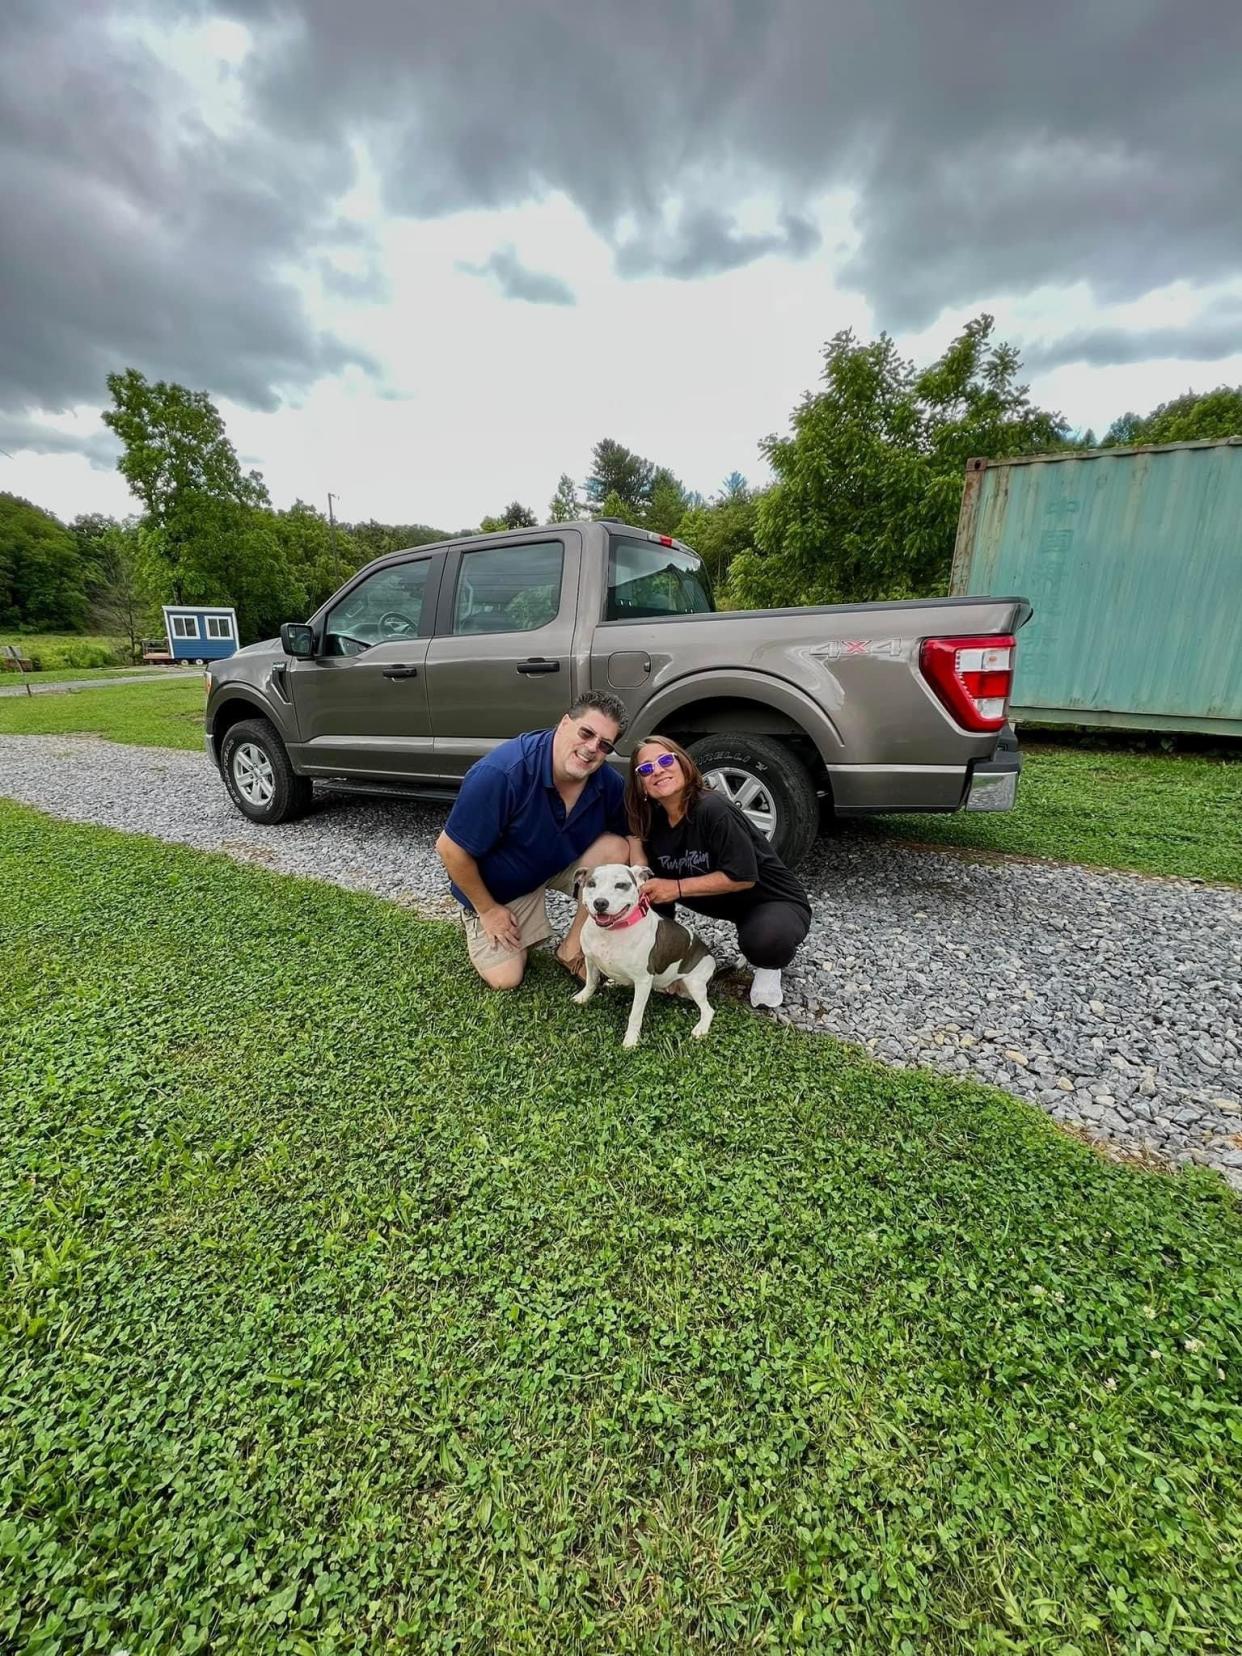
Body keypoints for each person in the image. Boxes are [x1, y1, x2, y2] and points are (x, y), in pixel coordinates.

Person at [436, 692, 639, 990]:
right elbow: (449, 849)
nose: (592, 748)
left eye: (604, 744)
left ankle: (571, 949)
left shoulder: (607, 782)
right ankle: (478, 916)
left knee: (616, 849)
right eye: (587, 733)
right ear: (565, 723)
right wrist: (488, 910)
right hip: (499, 890)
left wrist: (641, 875)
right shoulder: (501, 773)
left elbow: (631, 834)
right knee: (506, 979)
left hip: (550, 865)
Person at [625, 734, 811, 1008]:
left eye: (666, 760)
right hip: (726, 902)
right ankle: (664, 962)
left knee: (765, 940)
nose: (658, 770)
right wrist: (639, 863)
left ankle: (769, 967)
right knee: (654, 896)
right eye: (646, 769)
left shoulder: (713, 808)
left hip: (770, 898)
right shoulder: (652, 818)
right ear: (640, 783)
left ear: (684, 764)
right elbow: (639, 851)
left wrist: (674, 888)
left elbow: (743, 877)